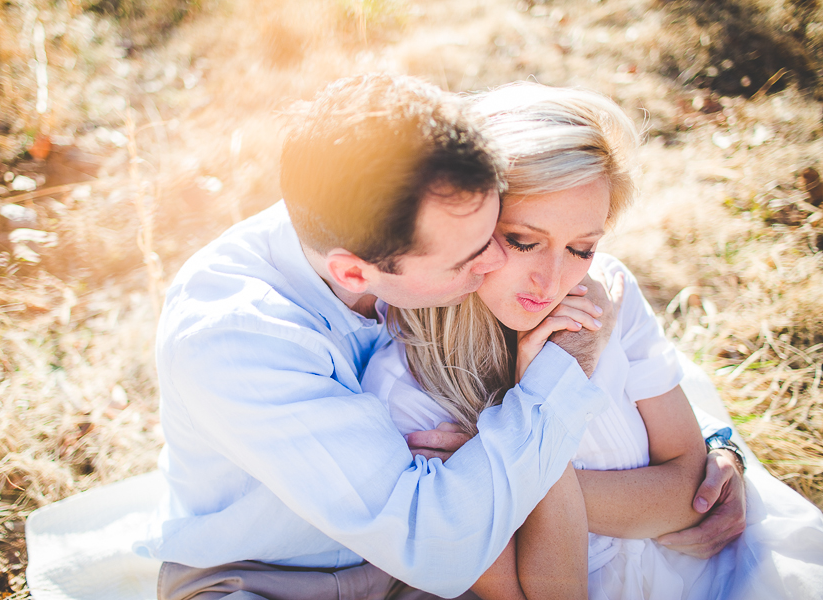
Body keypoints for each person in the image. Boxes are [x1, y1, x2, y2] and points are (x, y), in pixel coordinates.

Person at [135, 73, 747, 600]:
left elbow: (672, 465)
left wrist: (719, 450)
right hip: (275, 578)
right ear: (356, 272)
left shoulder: (424, 201)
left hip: (419, 572)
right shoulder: (238, 338)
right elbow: (437, 536)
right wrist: (553, 383)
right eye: (491, 248)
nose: (490, 264)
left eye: (495, 234)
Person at [363, 81, 823, 599]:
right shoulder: (405, 393)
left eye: (581, 247)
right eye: (523, 241)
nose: (552, 279)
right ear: (467, 218)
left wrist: (503, 472)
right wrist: (544, 406)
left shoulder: (607, 298)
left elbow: (687, 487)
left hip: (708, 570)